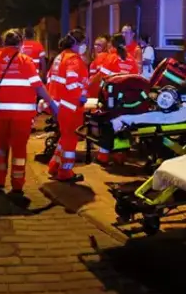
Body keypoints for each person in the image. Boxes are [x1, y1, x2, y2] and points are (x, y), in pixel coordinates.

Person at [0, 29, 59, 194]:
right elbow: (38, 86)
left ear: (4, 43)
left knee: (1, 147)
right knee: (19, 150)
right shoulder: (25, 61)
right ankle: (17, 184)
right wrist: (51, 104)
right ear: (20, 44)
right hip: (22, 116)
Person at [47, 28, 89, 183]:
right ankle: (65, 172)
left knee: (64, 137)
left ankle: (54, 166)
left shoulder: (60, 57)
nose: (85, 47)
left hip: (60, 105)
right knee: (70, 138)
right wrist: (81, 98)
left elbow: (50, 78)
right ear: (77, 43)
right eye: (84, 43)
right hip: (71, 106)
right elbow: (72, 84)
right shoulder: (73, 60)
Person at [93, 33, 139, 164]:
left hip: (112, 99)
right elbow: (135, 78)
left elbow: (103, 79)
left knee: (107, 124)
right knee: (123, 125)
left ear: (111, 45)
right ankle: (120, 155)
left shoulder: (110, 58)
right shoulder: (131, 59)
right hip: (128, 100)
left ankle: (103, 156)